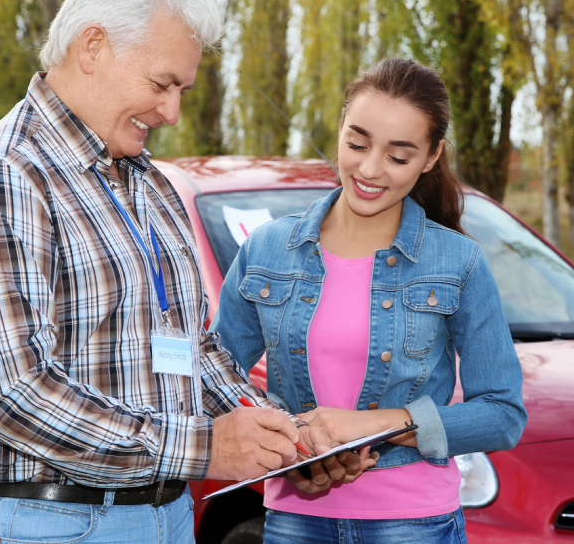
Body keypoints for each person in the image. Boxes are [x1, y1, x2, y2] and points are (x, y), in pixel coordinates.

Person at [0, 0, 342, 543]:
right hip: (52, 523)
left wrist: (283, 438)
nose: (172, 112)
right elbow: (12, 395)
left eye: (183, 90)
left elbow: (193, 353)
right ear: (93, 47)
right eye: (162, 83)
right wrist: (207, 448)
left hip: (166, 516)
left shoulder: (150, 184)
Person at [211, 58, 527, 544]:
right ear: (340, 131)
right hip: (294, 519)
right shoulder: (267, 250)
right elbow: (214, 380)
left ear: (430, 156)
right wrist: (292, 445)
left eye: (399, 156)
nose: (370, 168)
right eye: (357, 144)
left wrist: (374, 425)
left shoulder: (458, 262)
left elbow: (503, 415)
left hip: (414, 524)